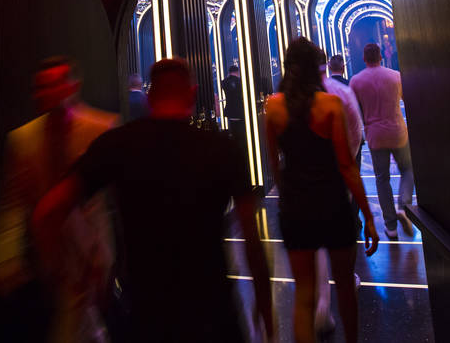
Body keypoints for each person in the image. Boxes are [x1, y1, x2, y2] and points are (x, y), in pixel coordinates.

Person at [32, 58, 274, 343]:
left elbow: (48, 211)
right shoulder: (223, 149)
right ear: (193, 94)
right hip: (212, 312)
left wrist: (59, 275)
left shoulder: (118, 145)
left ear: (149, 97)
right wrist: (264, 304)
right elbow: (251, 239)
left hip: (146, 316)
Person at [0, 58, 117, 342]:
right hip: (48, 263)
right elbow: (13, 204)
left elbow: (114, 202)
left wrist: (105, 261)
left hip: (94, 258)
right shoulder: (22, 140)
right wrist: (6, 260)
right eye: (42, 87)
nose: (49, 93)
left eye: (56, 84)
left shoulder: (101, 129)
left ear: (73, 86)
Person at [264, 37, 378, 343]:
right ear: (317, 67)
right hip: (332, 203)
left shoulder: (272, 107)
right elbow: (346, 165)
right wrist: (367, 215)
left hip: (296, 207)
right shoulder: (330, 104)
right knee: (344, 287)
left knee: (304, 293)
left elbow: (275, 164)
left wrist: (286, 196)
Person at [313, 53, 365, 336]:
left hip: (308, 180)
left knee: (317, 240)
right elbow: (356, 133)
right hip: (339, 173)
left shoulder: (293, 97)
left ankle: (322, 302)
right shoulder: (342, 92)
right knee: (341, 236)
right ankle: (346, 281)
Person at [349, 42, 416, 240]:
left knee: (382, 179)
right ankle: (403, 206)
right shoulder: (395, 76)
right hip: (397, 131)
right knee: (408, 169)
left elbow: (354, 109)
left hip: (375, 134)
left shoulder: (356, 81)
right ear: (381, 56)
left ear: (364, 59)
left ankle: (390, 226)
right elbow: (406, 99)